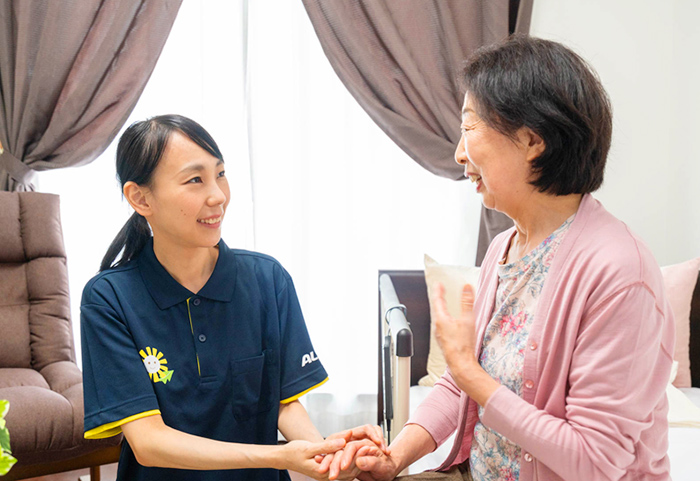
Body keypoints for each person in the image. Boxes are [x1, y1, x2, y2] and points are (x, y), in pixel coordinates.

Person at [322, 35, 675, 481]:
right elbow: (460, 385)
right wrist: (396, 458)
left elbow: (594, 461)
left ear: (531, 140)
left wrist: (471, 375)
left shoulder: (621, 273)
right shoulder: (504, 247)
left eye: (469, 127)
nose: (459, 153)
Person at [80, 115, 385, 481]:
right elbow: (149, 442)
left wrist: (327, 454)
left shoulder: (268, 279)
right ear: (140, 198)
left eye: (220, 174)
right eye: (195, 180)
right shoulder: (108, 299)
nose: (218, 196)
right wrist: (280, 456)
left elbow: (282, 402)